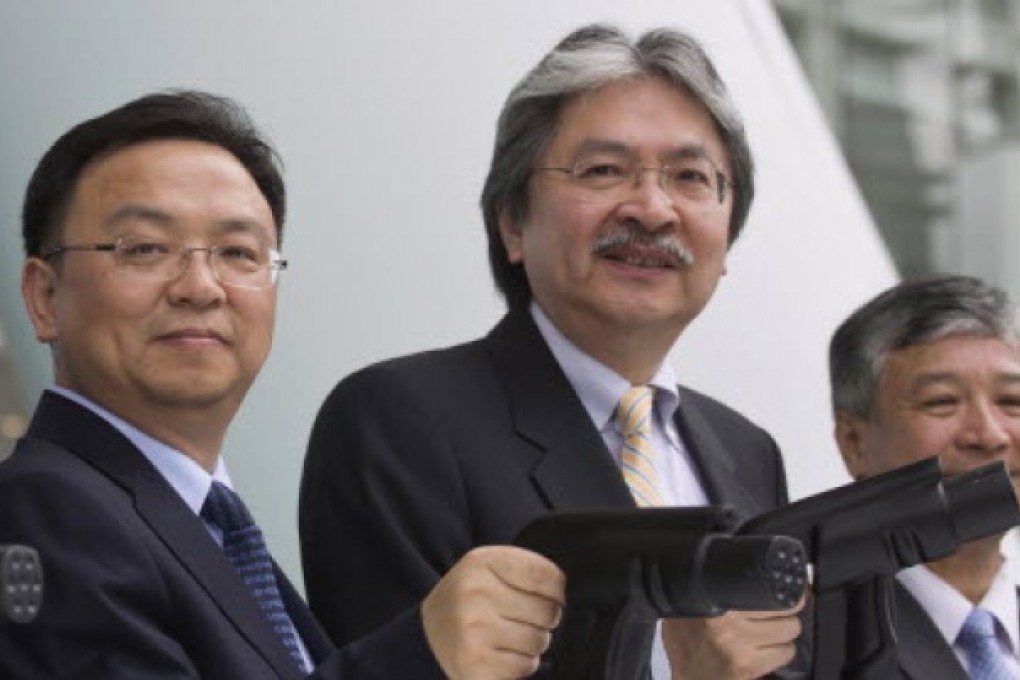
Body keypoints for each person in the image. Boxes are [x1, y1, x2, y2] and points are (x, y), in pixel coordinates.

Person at [0, 90, 564, 679]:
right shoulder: (42, 510)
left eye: (238, 252)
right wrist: (422, 656)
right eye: (145, 248)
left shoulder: (208, 525)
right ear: (44, 299)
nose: (201, 286)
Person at [301, 24, 802, 679]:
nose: (653, 209)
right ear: (512, 221)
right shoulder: (397, 422)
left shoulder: (747, 450)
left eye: (691, 177)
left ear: (728, 235)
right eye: (603, 170)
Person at [829, 274, 1020, 678]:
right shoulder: (801, 646)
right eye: (942, 402)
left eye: (1012, 402)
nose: (989, 435)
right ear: (854, 442)